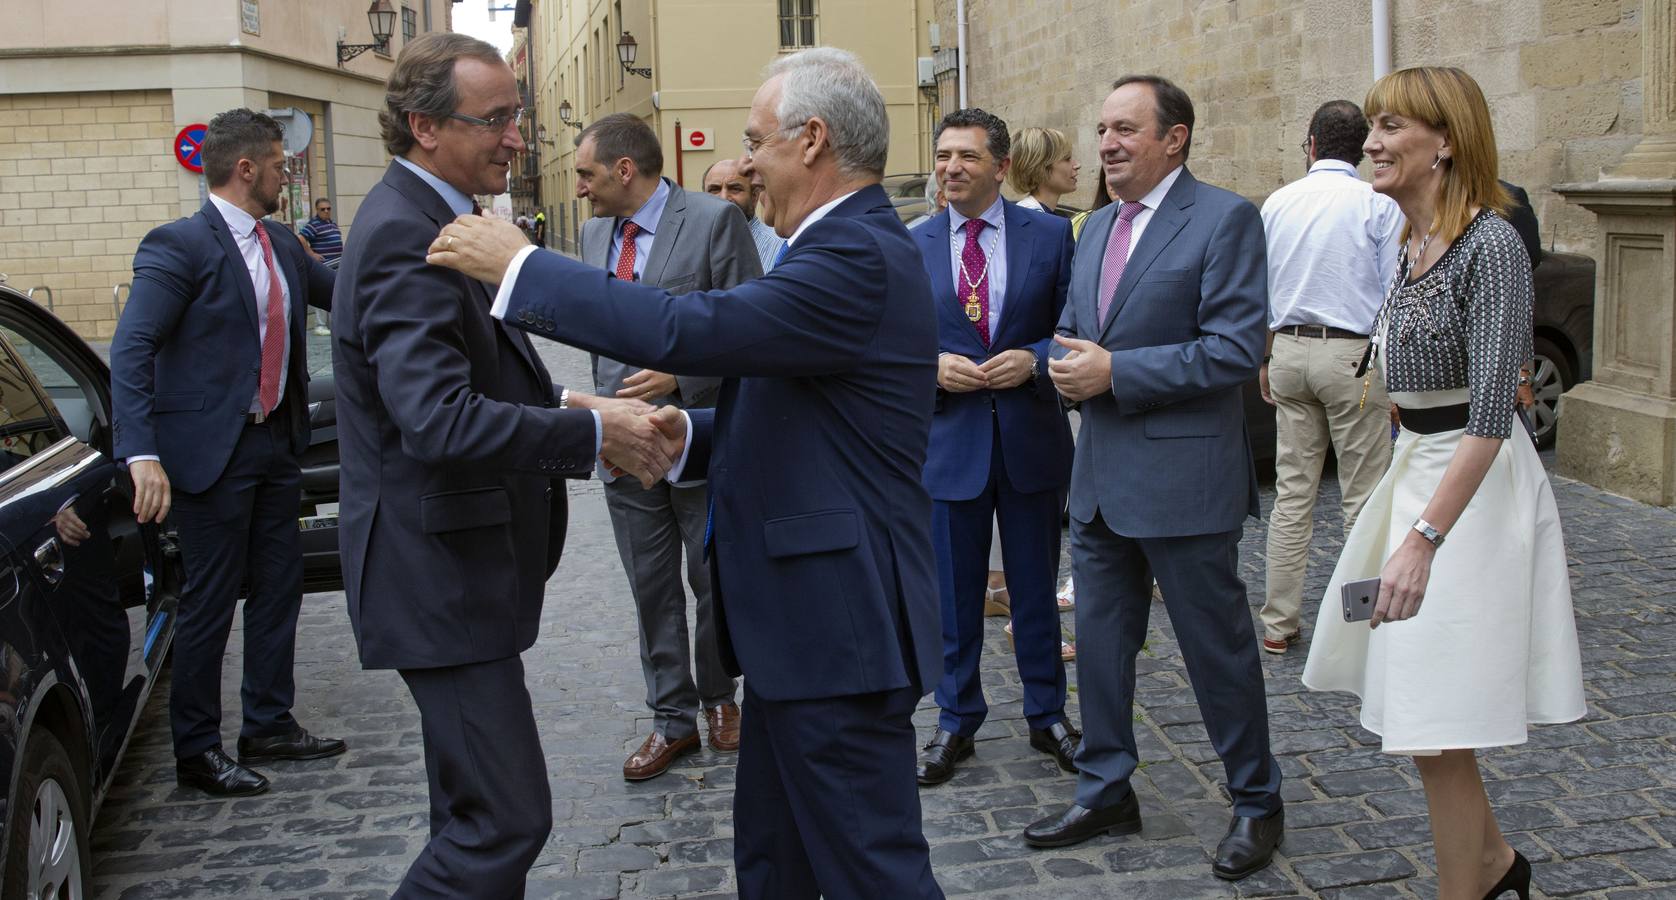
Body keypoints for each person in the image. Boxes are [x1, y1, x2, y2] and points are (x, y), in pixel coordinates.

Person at [431, 46, 945, 900]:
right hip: (795, 636)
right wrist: (692, 436)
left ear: (812, 140)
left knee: (874, 873)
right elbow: (811, 412)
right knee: (774, 865)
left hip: (836, 635)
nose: (742, 164)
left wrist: (516, 264)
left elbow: (684, 330)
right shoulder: (833, 245)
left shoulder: (854, 252)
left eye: (754, 142)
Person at [332, 33, 669, 896]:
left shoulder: (442, 218)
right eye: (498, 120)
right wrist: (591, 439)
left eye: (517, 116)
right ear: (425, 126)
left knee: (471, 815)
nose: (518, 138)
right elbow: (437, 420)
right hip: (436, 578)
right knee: (505, 822)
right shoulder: (411, 233)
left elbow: (475, 378)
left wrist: (577, 406)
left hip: (456, 574)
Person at [1302, 66, 1585, 900]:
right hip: (1419, 474)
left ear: (1447, 143)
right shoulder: (1408, 241)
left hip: (1472, 490)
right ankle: (1496, 869)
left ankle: (1475, 884)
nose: (1375, 141)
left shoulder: (1489, 245)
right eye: (1374, 125)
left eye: (1395, 127)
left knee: (1434, 720)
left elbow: (1494, 419)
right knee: (1427, 717)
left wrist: (1424, 539)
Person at [1036, 74, 1284, 880]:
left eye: (1125, 129)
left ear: (1173, 138)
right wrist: (1062, 362)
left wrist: (1118, 373)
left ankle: (1256, 801)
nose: (1106, 143)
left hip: (1185, 484)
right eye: (1102, 128)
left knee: (1218, 652)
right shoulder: (1096, 224)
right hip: (1101, 480)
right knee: (1102, 650)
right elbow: (1076, 331)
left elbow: (1237, 349)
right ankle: (1106, 786)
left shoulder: (1225, 218)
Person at [110, 108, 344, 798]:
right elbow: (131, 350)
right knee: (212, 600)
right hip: (208, 453)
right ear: (246, 169)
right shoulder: (178, 246)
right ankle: (198, 749)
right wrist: (141, 453)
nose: (287, 171)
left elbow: (348, 294)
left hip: (275, 441)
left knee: (281, 583)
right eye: (279, 162)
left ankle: (268, 720)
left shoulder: (281, 240)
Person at [575, 113, 762, 781]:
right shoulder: (593, 232)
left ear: (626, 169)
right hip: (621, 446)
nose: (580, 189)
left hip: (697, 441)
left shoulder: (713, 221)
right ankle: (671, 720)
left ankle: (721, 699)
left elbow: (750, 327)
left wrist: (685, 376)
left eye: (587, 174)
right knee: (649, 586)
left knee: (710, 579)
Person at [912, 108, 1079, 787]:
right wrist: (929, 366)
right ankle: (956, 721)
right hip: (949, 441)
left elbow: (1076, 324)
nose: (952, 167)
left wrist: (1036, 359)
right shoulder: (912, 242)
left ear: (1001, 167)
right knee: (952, 596)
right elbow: (883, 339)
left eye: (968, 157)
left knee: (1036, 588)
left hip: (1029, 437)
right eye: (944, 155)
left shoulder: (1052, 235)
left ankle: (1048, 716)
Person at [1255, 100, 1403, 655]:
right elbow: (1395, 291)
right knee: (1362, 496)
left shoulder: (1278, 203)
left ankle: (1279, 622)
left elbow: (1262, 287)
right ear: (1361, 148)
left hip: (1291, 346)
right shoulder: (1377, 203)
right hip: (1353, 355)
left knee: (1294, 494)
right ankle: (1361, 625)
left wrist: (1268, 356)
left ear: (1311, 143)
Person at [704, 156, 783, 273]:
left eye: (735, 188)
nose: (724, 198)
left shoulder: (780, 247)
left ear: (755, 196)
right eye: (714, 189)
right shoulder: (690, 247)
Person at [1008, 126, 1080, 215]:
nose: (1077, 165)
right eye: (1067, 159)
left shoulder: (1041, 215)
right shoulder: (1030, 218)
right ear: (1040, 167)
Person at [298, 197, 343, 335]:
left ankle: (334, 324)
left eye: (328, 208)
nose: (326, 211)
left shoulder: (331, 223)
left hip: (336, 264)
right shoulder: (314, 224)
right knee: (323, 292)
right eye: (322, 209)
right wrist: (311, 254)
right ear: (317, 210)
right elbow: (300, 238)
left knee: (336, 294)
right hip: (325, 265)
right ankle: (320, 325)